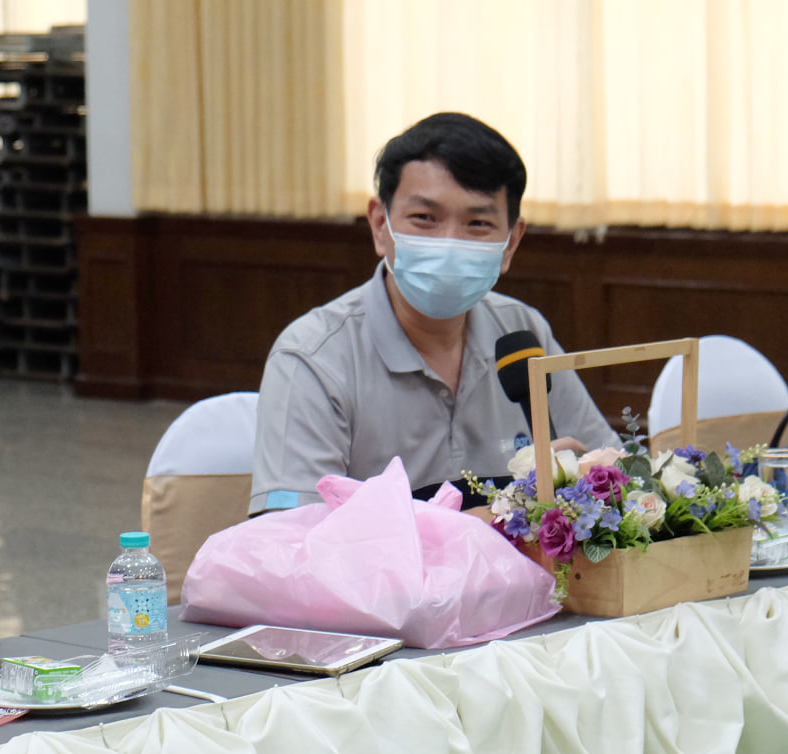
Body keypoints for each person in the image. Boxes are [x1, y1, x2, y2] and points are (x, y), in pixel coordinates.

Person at [251, 112, 616, 512]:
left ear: (511, 243)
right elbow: (293, 539)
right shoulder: (313, 358)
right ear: (379, 225)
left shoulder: (521, 333)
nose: (449, 243)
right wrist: (496, 519)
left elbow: (610, 467)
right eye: (425, 219)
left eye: (477, 223)